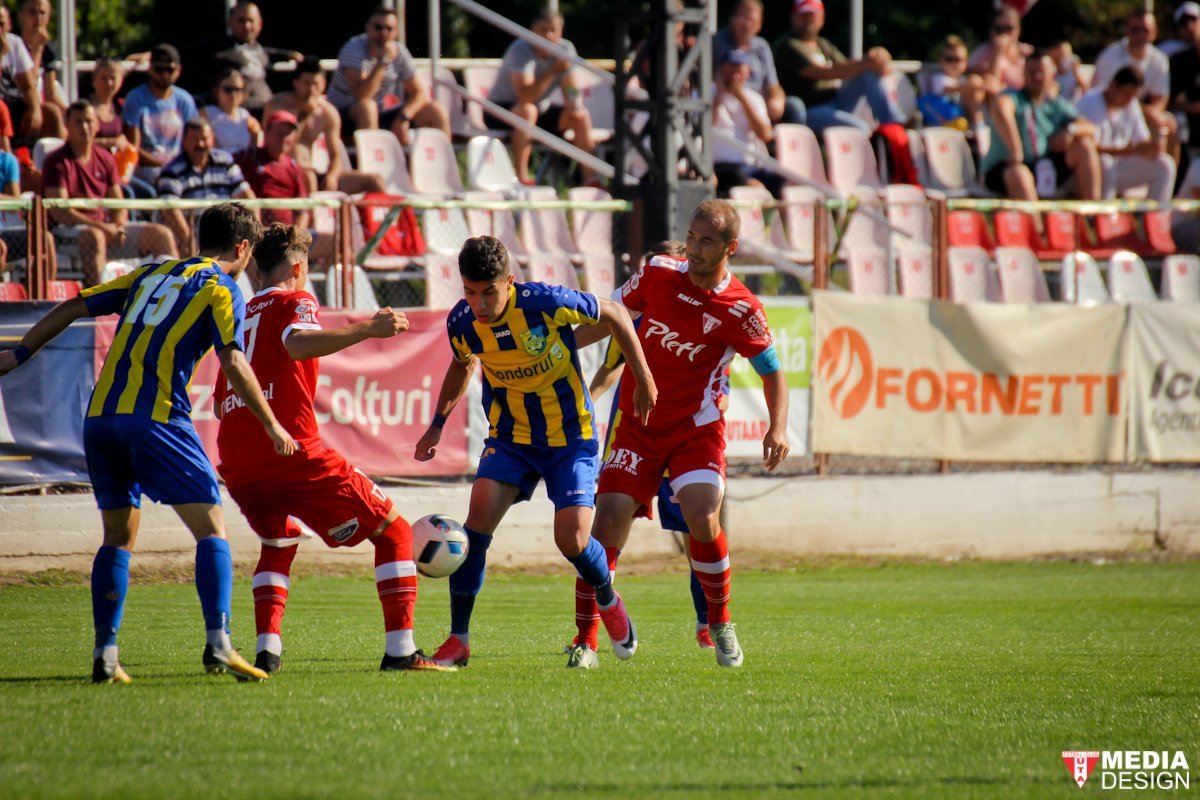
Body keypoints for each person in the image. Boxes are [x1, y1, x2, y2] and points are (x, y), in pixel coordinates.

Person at [0, 202, 297, 684]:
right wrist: (271, 424)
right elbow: (234, 361)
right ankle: (220, 643)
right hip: (155, 419)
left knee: (117, 537)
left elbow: (77, 304)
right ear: (243, 248)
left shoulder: (149, 272)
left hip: (100, 419)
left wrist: (19, 352)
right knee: (213, 528)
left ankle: (105, 654)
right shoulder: (222, 287)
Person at [214, 224, 452, 674]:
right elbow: (298, 343)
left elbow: (221, 396)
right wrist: (370, 328)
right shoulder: (296, 300)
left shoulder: (238, 314)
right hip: (290, 450)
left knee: (278, 539)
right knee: (395, 532)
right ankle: (401, 650)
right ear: (299, 267)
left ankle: (267, 652)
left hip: (238, 459)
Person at [413, 235, 657, 668]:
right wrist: (436, 425)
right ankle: (459, 640)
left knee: (573, 540)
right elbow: (461, 363)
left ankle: (608, 597)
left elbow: (617, 313)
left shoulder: (545, 302)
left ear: (509, 281)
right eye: (470, 292)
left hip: (570, 439)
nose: (480, 303)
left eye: (489, 291)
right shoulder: (463, 323)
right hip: (510, 439)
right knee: (475, 528)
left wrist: (644, 378)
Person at [570, 199, 789, 669]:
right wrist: (556, 348)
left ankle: (720, 621)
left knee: (703, 518)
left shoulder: (743, 309)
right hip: (637, 426)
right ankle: (586, 641)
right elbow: (609, 315)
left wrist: (778, 426)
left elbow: (772, 370)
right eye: (691, 236)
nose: (693, 247)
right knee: (603, 526)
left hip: (696, 430)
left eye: (706, 241)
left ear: (730, 248)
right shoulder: (657, 274)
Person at [587, 240, 717, 651]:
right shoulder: (632, 319)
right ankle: (596, 622)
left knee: (698, 529)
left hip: (683, 440)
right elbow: (610, 368)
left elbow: (720, 384)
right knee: (609, 525)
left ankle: (706, 622)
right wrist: (586, 404)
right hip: (635, 435)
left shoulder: (700, 321)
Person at [43, 101, 178, 285]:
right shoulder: (56, 161)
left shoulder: (105, 158)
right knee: (95, 237)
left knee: (161, 234)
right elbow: (59, 211)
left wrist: (117, 224)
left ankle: (171, 297)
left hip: (107, 228)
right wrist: (101, 228)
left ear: (97, 125)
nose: (85, 127)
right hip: (70, 232)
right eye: (78, 122)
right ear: (67, 125)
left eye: (89, 121)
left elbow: (117, 202)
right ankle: (100, 302)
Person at [484, 6, 598, 186]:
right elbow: (525, 97)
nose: (549, 36)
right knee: (528, 111)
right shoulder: (520, 50)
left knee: (581, 116)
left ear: (561, 31)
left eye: (554, 30)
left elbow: (571, 89)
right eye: (543, 30)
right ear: (532, 30)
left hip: (537, 110)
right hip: (500, 109)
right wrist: (552, 70)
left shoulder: (565, 49)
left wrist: (574, 105)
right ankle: (522, 177)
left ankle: (591, 181)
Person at [980, 51, 1101, 201]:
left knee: (1085, 145)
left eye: (1041, 72)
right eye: (1031, 72)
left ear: (1052, 75)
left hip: (1043, 168)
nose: (1036, 77)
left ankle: (1092, 214)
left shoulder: (1055, 104)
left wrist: (1070, 131)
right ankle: (1036, 224)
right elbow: (1001, 108)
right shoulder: (1014, 97)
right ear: (1023, 74)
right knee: (1020, 173)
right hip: (1005, 170)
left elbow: (1090, 127)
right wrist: (1015, 151)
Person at [771, 0, 905, 135]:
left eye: (813, 15)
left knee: (867, 75)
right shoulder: (787, 46)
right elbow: (823, 72)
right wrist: (867, 63)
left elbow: (847, 66)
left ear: (821, 18)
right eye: (804, 14)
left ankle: (894, 125)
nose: (809, 19)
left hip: (836, 101)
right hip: (811, 110)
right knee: (860, 129)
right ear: (793, 17)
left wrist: (876, 58)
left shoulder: (822, 44)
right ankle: (879, 149)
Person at [325, 6, 450, 144]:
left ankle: (446, 162)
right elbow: (361, 95)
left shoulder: (399, 52)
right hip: (342, 114)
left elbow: (418, 93)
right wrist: (382, 63)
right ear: (367, 27)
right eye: (378, 27)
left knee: (436, 110)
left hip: (379, 113)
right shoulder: (353, 49)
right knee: (367, 107)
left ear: (396, 32)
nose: (383, 33)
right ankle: (371, 162)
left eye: (389, 29)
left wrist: (403, 117)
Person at [263, 59, 384, 194]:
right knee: (308, 176)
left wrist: (332, 176)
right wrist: (304, 116)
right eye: (306, 83)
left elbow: (335, 156)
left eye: (316, 84)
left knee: (375, 181)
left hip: (312, 173)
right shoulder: (277, 105)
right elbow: (270, 146)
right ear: (296, 83)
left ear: (323, 85)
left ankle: (396, 215)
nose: (311, 89)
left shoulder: (327, 112)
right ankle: (310, 214)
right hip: (282, 171)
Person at [1076, 66, 1176, 204]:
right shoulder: (1091, 101)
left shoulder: (1131, 104)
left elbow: (1142, 141)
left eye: (1133, 96)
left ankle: (1155, 219)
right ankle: (1104, 220)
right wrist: (1132, 150)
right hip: (1090, 173)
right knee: (1105, 162)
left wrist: (1158, 136)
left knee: (1165, 164)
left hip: (1118, 167)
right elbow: (1090, 149)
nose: (1129, 100)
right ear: (1113, 85)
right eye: (1126, 94)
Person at [156, 117, 256, 253]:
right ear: (184, 141)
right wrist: (189, 240)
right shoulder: (172, 170)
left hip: (227, 231)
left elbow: (245, 194)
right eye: (194, 139)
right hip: (193, 231)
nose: (200, 144)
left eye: (205, 138)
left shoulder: (225, 161)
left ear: (212, 139)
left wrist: (253, 234)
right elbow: (169, 208)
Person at [186, 1, 303, 115]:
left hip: (266, 110)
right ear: (229, 23)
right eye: (241, 21)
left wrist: (288, 54)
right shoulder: (218, 46)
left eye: (251, 21)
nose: (247, 26)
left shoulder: (259, 50)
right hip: (237, 115)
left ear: (259, 24)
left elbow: (268, 51)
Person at [1093, 12, 1178, 163]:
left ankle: (1169, 177)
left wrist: (1152, 114)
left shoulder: (1159, 60)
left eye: (1145, 30)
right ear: (1126, 31)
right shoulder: (1110, 57)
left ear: (1154, 33)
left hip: (1136, 111)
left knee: (1168, 124)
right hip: (1109, 112)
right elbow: (1108, 97)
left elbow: (1161, 97)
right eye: (1135, 30)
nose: (1140, 35)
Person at [122, 44, 199, 188]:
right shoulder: (135, 98)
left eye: (169, 69)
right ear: (150, 69)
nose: (164, 74)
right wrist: (163, 166)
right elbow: (133, 147)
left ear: (178, 70)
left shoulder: (185, 100)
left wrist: (176, 167)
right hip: (146, 172)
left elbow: (193, 140)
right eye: (159, 69)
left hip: (180, 169)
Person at [712, 0, 798, 125]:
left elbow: (773, 85)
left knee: (793, 107)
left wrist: (776, 99)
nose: (747, 24)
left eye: (752, 20)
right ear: (732, 19)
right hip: (728, 100)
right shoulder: (717, 42)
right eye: (743, 17)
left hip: (757, 102)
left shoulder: (762, 46)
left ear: (759, 25)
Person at [712, 48, 780, 197]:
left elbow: (765, 135)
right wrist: (719, 95)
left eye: (739, 68)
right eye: (731, 67)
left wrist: (741, 98)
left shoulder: (754, 99)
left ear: (747, 72)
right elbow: (705, 128)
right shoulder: (706, 94)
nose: (734, 73)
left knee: (780, 182)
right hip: (720, 167)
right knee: (751, 185)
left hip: (749, 166)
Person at [236, 110, 308, 229]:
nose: (283, 138)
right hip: (252, 230)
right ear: (266, 133)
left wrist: (297, 236)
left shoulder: (294, 167)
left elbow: (302, 210)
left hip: (284, 234)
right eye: (279, 132)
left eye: (288, 133)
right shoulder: (249, 157)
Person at [15, 0, 63, 138]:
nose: (38, 18)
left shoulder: (47, 48)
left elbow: (50, 94)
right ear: (21, 15)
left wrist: (73, 111)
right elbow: (26, 85)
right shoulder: (13, 44)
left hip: (38, 106)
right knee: (51, 113)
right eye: (32, 12)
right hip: (18, 104)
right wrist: (36, 50)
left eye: (42, 13)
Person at [967, 7, 1033, 93]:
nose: (1004, 33)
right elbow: (991, 85)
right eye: (999, 29)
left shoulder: (1027, 52)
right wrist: (997, 53)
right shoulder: (983, 52)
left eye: (1009, 28)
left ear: (1018, 29)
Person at [918, 35, 973, 130]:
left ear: (965, 62)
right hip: (943, 123)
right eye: (949, 59)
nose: (954, 64)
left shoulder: (964, 80)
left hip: (960, 121)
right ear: (941, 60)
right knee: (961, 123)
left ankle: (978, 123)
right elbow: (950, 88)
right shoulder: (939, 78)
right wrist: (980, 86)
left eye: (958, 59)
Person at [0, 17, 41, 143]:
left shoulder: (14, 43)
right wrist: (1, 55)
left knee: (52, 115)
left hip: (13, 105)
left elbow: (28, 85)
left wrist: (35, 109)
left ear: (9, 25)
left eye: (1, 24)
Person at [201, 68, 261, 154]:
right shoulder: (206, 113)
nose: (233, 94)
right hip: (219, 163)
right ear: (217, 90)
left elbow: (255, 142)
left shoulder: (245, 116)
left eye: (237, 90)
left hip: (242, 163)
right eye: (228, 89)